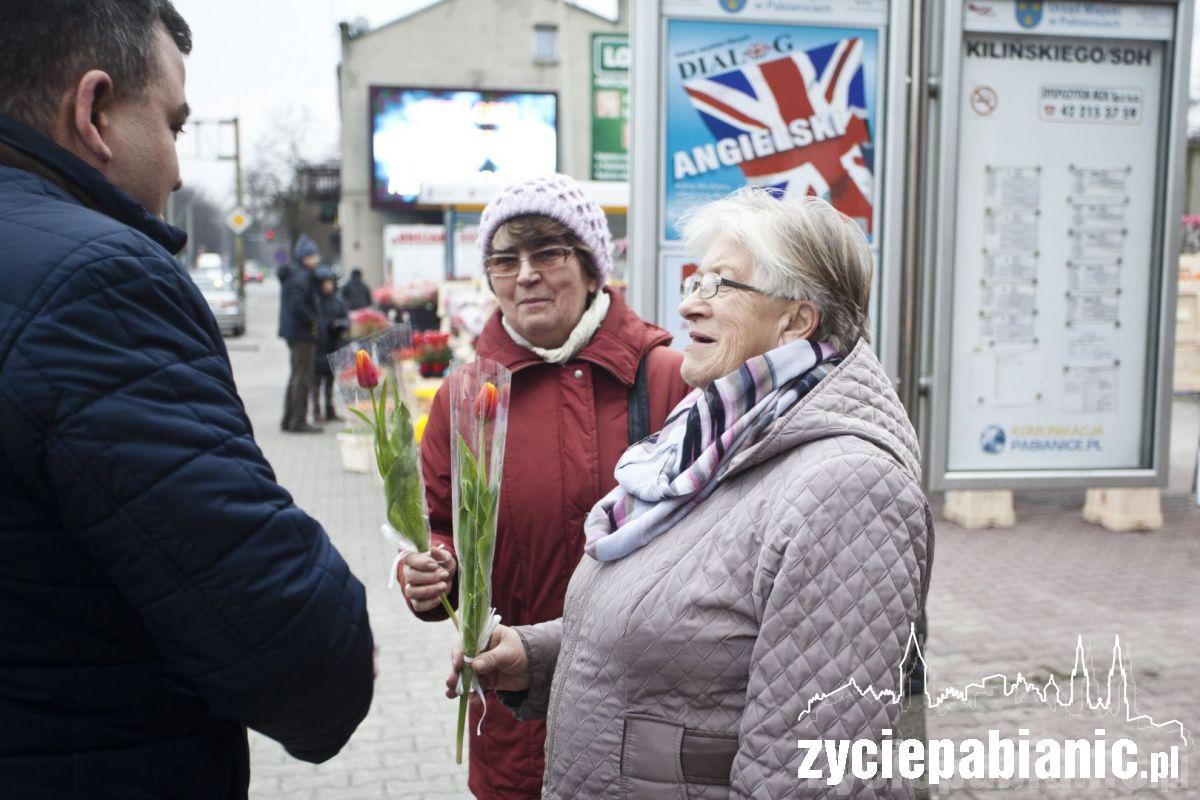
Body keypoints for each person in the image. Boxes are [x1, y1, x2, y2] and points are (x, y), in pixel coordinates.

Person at [0, 3, 375, 797]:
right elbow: (302, 658)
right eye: (171, 124)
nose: (176, 169)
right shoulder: (95, 282)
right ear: (93, 110)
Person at [448, 189, 934, 799]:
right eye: (694, 281)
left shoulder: (849, 489)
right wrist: (536, 654)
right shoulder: (716, 433)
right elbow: (693, 638)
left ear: (796, 320)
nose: (687, 306)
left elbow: (816, 773)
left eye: (718, 287)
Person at [400, 174, 691, 799]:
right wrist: (428, 573)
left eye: (548, 253)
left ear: (590, 267)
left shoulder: (666, 378)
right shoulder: (465, 395)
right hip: (513, 718)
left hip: (643, 707)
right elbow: (439, 521)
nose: (525, 274)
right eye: (505, 261)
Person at [281, 234, 323, 432]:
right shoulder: (302, 275)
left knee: (296, 375)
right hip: (302, 334)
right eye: (314, 255)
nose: (317, 259)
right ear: (305, 257)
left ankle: (289, 419)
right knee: (303, 377)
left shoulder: (294, 273)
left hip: (294, 332)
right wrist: (314, 323)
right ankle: (298, 421)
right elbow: (297, 304)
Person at [313, 267, 349, 423]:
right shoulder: (315, 302)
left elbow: (346, 319)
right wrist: (325, 326)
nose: (328, 286)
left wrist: (341, 324)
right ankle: (316, 409)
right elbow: (314, 323)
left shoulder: (338, 301)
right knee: (316, 382)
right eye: (325, 283)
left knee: (330, 380)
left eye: (330, 283)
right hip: (318, 347)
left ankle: (330, 409)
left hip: (334, 345)